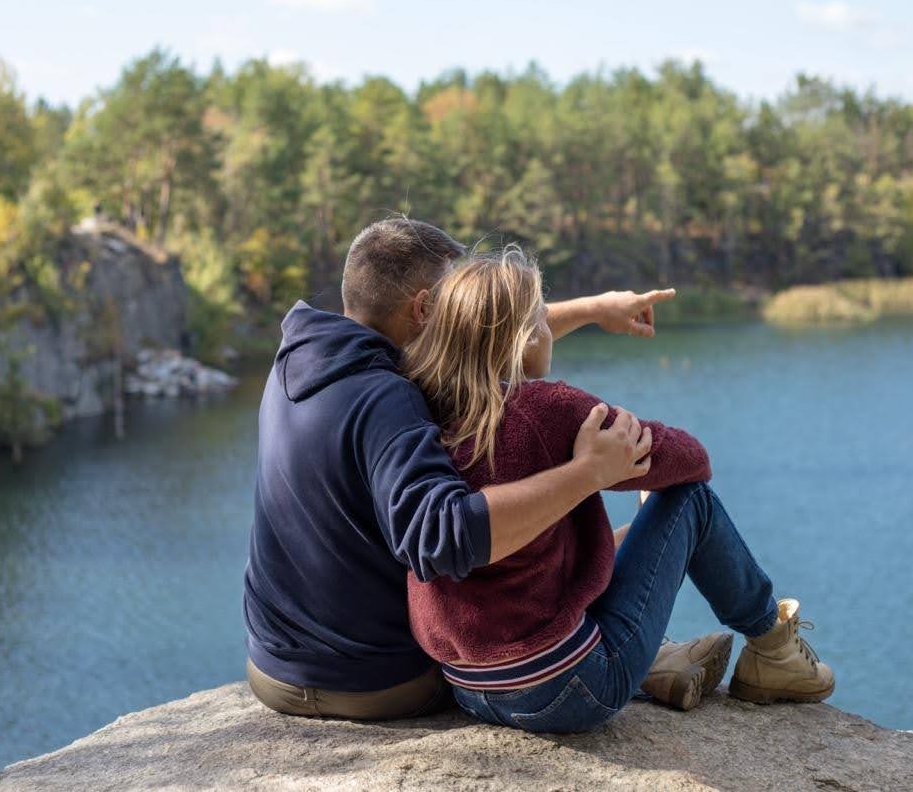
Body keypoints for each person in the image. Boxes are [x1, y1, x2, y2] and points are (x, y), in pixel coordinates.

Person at [243, 217, 679, 719]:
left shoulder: (299, 362)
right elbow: (445, 538)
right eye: (455, 303)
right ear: (426, 309)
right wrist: (587, 474)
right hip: (380, 685)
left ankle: (651, 660)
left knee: (591, 542)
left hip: (273, 672)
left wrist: (594, 309)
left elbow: (478, 345)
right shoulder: (390, 399)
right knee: (572, 553)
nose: (467, 315)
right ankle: (642, 660)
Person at [401, 246, 835, 733]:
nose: (548, 324)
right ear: (522, 338)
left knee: (607, 537)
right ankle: (772, 648)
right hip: (570, 690)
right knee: (687, 499)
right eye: (541, 315)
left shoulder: (420, 406)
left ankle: (662, 665)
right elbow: (692, 459)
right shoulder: (547, 409)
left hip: (467, 686)